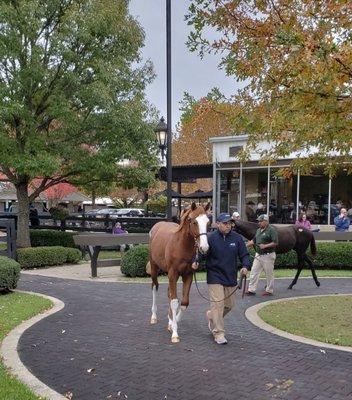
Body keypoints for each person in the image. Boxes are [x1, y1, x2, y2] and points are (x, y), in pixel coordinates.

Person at [202, 213, 250, 345]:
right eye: (225, 223)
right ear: (217, 224)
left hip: (230, 276)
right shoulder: (210, 238)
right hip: (214, 275)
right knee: (218, 304)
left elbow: (244, 255)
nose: (228, 225)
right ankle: (218, 333)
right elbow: (202, 254)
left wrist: (245, 266)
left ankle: (212, 316)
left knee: (229, 305)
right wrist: (196, 261)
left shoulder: (237, 238)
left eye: (230, 223)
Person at [246, 214, 278, 296]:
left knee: (269, 273)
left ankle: (269, 290)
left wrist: (265, 246)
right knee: (254, 272)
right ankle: (251, 289)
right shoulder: (258, 230)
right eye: (258, 221)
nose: (259, 223)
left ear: (266, 221)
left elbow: (275, 243)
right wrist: (247, 244)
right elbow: (254, 240)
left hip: (268, 255)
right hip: (259, 254)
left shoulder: (271, 230)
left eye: (261, 221)